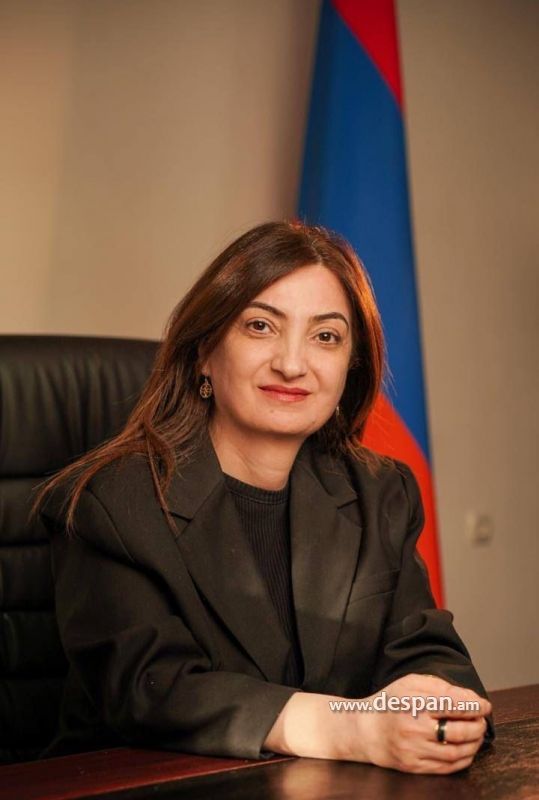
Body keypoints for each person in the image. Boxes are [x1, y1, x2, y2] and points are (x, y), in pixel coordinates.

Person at [35, 220, 494, 774]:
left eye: (326, 337)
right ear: (204, 351)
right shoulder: (111, 503)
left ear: (350, 366)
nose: (292, 364)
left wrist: (440, 714)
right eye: (261, 326)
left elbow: (425, 651)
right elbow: (154, 689)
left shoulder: (380, 492)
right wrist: (347, 728)